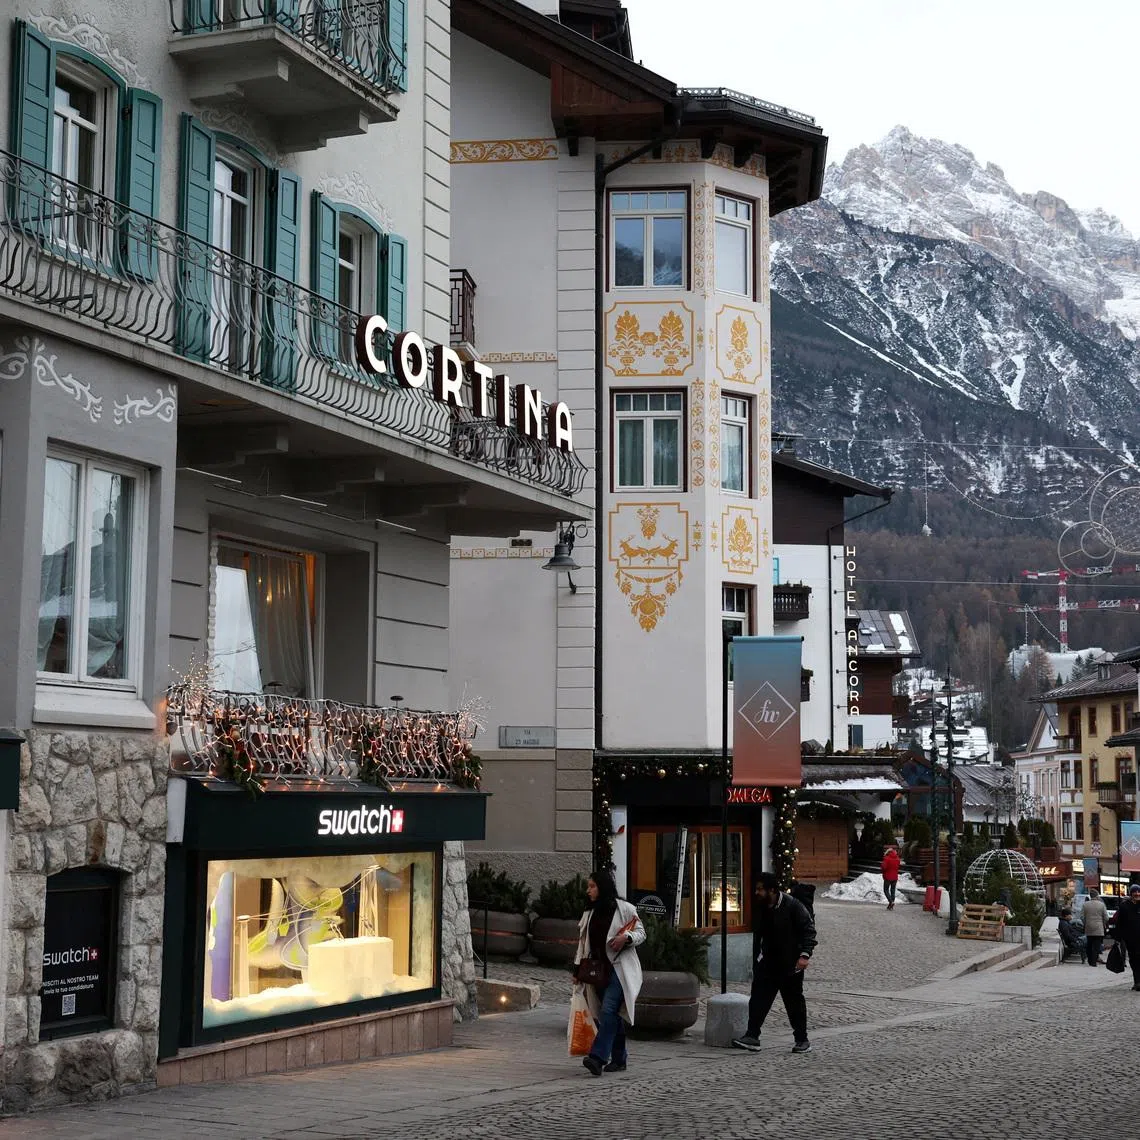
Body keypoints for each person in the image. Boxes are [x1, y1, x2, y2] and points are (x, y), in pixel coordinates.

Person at [732, 871, 818, 1055]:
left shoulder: (793, 906)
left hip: (791, 964)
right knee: (758, 999)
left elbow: (809, 931)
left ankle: (802, 1040)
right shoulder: (761, 907)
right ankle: (752, 1036)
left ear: (772, 890)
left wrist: (804, 955)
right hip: (768, 961)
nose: (756, 893)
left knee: (794, 1003)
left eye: (760, 889)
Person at [572, 868, 646, 1077]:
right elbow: (582, 944)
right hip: (598, 970)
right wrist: (577, 970)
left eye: (592, 886)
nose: (589, 890)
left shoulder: (624, 909)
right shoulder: (590, 913)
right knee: (610, 1014)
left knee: (609, 1009)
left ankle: (597, 1057)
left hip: (620, 968)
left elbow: (641, 932)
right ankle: (620, 1057)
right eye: (588, 886)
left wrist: (626, 938)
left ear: (602, 887)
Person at [1111, 883, 1140, 991]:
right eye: (1134, 892)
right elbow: (1119, 923)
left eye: (1138, 892)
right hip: (1130, 938)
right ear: (1131, 893)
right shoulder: (1124, 906)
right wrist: (1118, 938)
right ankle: (1137, 981)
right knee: (1134, 959)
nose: (1137, 894)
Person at [1082, 889, 1109, 966]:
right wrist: (1103, 923)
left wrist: (1086, 923)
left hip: (1088, 927)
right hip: (1099, 928)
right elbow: (1106, 917)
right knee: (1096, 945)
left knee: (1089, 944)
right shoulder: (1101, 905)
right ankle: (1094, 961)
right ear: (1097, 895)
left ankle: (1090, 960)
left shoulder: (1085, 904)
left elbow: (1081, 917)